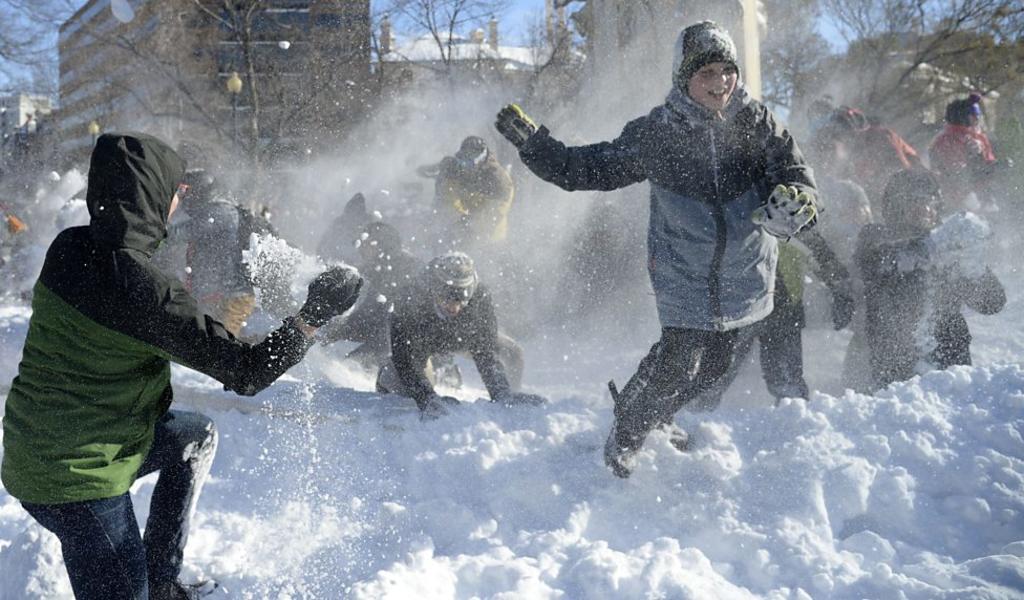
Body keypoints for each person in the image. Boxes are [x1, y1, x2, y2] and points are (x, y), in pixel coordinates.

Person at [0, 133, 362, 600]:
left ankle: (161, 579)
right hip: (76, 479)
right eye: (176, 190)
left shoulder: (68, 247)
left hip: (34, 446)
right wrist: (312, 317)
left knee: (194, 437)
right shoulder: (144, 292)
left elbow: (128, 297)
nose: (180, 199)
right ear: (153, 197)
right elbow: (247, 372)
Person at [495, 21, 819, 477]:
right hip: (683, 270)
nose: (721, 82)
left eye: (727, 70)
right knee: (678, 363)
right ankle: (627, 433)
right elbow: (586, 169)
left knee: (714, 368)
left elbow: (796, 176)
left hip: (743, 273)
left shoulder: (759, 124)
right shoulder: (659, 134)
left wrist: (799, 202)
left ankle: (660, 416)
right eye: (706, 72)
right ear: (684, 78)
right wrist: (537, 146)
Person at [853, 169, 1005, 391]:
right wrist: (933, 247)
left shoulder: (949, 245)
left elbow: (992, 303)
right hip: (893, 374)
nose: (925, 209)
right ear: (896, 206)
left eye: (930, 201)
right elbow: (881, 264)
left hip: (951, 371)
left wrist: (974, 266)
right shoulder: (875, 237)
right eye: (915, 201)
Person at [690, 231, 853, 416]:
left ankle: (795, 419)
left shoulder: (789, 223)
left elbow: (819, 253)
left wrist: (841, 292)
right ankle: (693, 416)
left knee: (785, 379)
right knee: (716, 373)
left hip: (778, 308)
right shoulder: (738, 218)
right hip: (741, 307)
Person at [376, 251, 538, 418]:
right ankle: (392, 383)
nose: (454, 306)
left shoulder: (480, 297)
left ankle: (510, 401)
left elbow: (485, 351)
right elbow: (404, 360)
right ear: (434, 289)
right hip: (421, 347)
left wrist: (502, 393)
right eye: (447, 296)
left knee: (512, 352)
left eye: (461, 297)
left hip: (463, 338)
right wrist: (426, 397)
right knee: (396, 379)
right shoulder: (409, 300)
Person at [167, 167, 276, 336]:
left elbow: (174, 235)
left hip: (232, 296)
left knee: (220, 342)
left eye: (186, 191)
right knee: (206, 339)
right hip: (219, 294)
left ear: (199, 191)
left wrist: (166, 207)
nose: (184, 197)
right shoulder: (216, 211)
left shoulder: (219, 213)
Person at [319, 220, 423, 370]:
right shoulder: (374, 267)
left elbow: (389, 319)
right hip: (378, 326)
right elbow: (366, 310)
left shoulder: (404, 268)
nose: (361, 248)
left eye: (367, 244)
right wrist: (335, 331)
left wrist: (355, 359)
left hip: (403, 336)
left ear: (382, 245)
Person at [814, 105, 920, 204]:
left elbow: (902, 171)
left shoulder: (883, 138)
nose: (844, 139)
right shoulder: (847, 152)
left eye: (845, 134)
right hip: (877, 193)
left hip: (912, 187)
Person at [430, 136, 515, 250]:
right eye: (464, 157)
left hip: (490, 240)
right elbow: (447, 198)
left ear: (481, 160)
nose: (466, 164)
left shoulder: (498, 180)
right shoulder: (456, 169)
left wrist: (469, 223)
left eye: (471, 159)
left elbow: (495, 214)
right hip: (456, 231)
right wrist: (456, 218)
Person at [928, 94, 1007, 212]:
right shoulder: (947, 140)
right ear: (962, 116)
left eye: (978, 115)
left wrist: (996, 166)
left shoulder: (979, 138)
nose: (977, 119)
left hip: (984, 196)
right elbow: (954, 172)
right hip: (959, 199)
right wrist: (983, 169)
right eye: (973, 115)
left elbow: (987, 161)